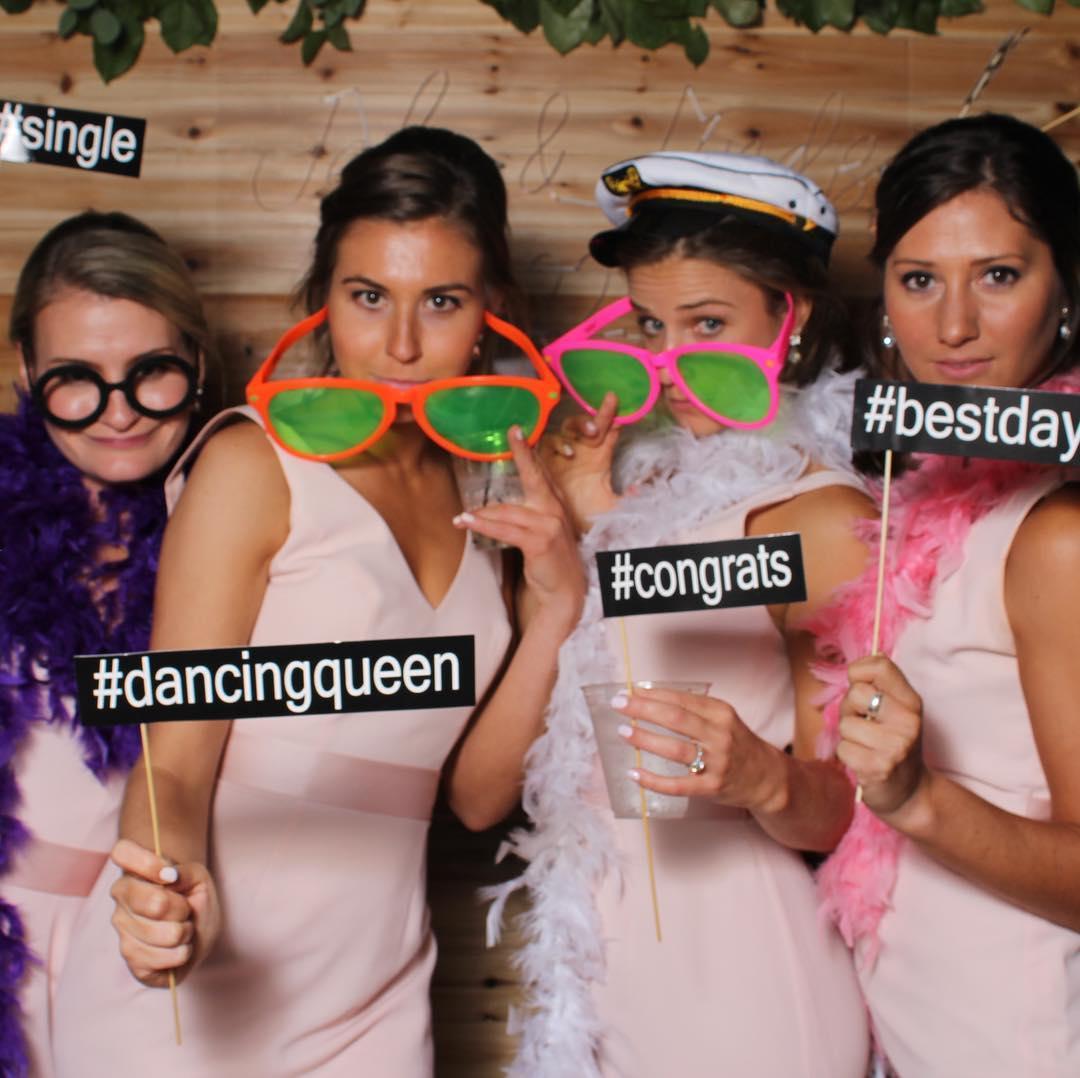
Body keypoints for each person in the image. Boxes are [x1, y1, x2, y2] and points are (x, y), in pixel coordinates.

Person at [51, 126, 583, 1076]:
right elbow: (173, 761)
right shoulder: (253, 465)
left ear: (492, 313)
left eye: (443, 301)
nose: (403, 345)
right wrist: (163, 891)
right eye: (368, 296)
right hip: (191, 999)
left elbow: (473, 798)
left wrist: (556, 604)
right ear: (321, 301)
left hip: (376, 1002)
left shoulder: (493, 491)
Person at [488, 152, 872, 1076]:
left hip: (739, 966)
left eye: (708, 325)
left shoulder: (821, 519)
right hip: (604, 960)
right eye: (650, 327)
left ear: (791, 316)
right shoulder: (646, 490)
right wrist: (592, 525)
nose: (669, 364)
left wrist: (762, 777)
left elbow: (850, 813)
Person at [811, 113, 1080, 1075]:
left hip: (1023, 1036)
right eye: (920, 279)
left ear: (1065, 290)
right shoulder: (919, 502)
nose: (953, 326)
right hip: (917, 1027)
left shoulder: (1058, 536)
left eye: (998, 275)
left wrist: (920, 797)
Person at [0, 210, 212, 1076]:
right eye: (76, 380)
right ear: (26, 371)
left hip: (146, 954)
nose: (118, 413)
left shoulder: (247, 525)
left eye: (151, 372)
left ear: (196, 363)